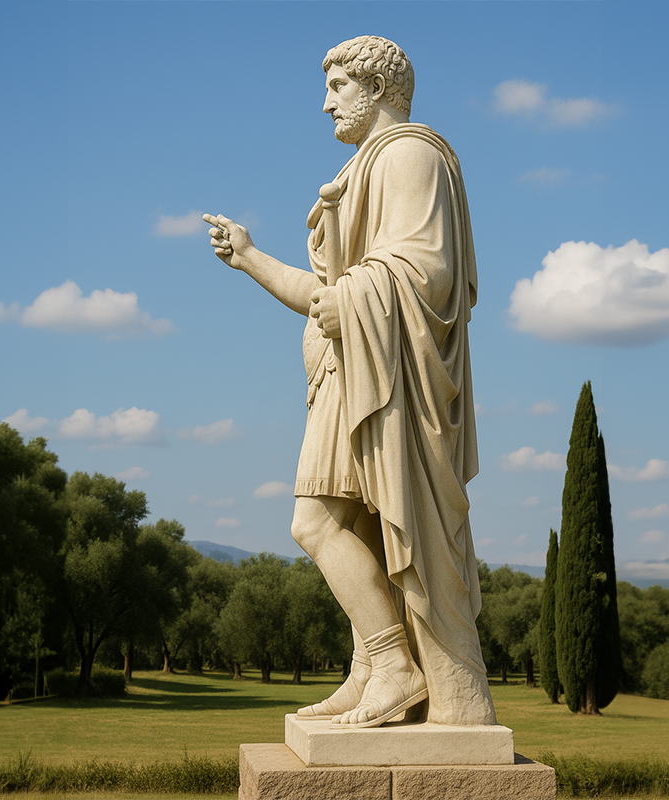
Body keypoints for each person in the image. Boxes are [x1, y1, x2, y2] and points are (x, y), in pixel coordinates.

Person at [204, 35, 496, 728]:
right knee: (355, 531)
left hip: (388, 378)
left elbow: (429, 272)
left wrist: (350, 301)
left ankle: (394, 666)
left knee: (315, 521)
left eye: (338, 85)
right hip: (352, 372)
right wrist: (249, 259)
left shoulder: (410, 154)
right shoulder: (367, 166)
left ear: (378, 87)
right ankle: (373, 668)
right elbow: (324, 293)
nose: (326, 101)